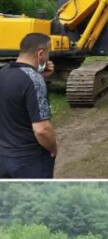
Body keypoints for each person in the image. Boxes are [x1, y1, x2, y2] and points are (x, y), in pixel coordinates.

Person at [0, 33, 58, 178]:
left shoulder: (3, 72)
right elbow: (42, 130)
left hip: (4, 157)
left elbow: (16, 96)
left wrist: (41, 76)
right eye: (48, 53)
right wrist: (53, 149)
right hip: (30, 160)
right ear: (41, 53)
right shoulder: (34, 80)